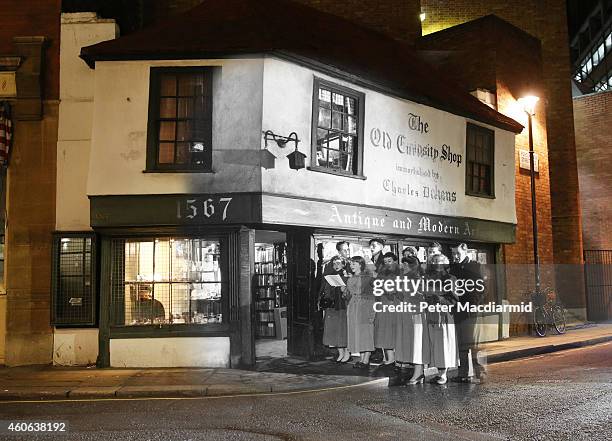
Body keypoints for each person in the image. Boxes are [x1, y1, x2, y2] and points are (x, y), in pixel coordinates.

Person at [450, 243, 487, 383]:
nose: (455, 256)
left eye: (457, 253)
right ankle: (463, 373)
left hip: (471, 310)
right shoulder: (453, 269)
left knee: (474, 343)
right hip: (458, 310)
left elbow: (483, 289)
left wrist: (474, 304)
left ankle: (480, 373)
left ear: (465, 252)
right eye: (453, 254)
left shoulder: (475, 266)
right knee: (462, 343)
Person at [393, 256, 430, 386]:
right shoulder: (404, 278)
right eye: (403, 265)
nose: (403, 267)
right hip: (405, 313)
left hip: (415, 314)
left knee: (417, 342)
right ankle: (417, 371)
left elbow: (421, 297)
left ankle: (419, 372)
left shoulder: (417, 279)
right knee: (410, 342)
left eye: (406, 265)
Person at [424, 254, 459, 385]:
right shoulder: (428, 278)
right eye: (433, 262)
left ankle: (443, 374)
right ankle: (439, 372)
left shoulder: (451, 278)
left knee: (444, 343)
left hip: (444, 315)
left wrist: (440, 298)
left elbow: (455, 299)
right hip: (432, 314)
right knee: (435, 344)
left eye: (438, 262)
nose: (436, 264)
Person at [343, 256, 376, 369]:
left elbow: (371, 292)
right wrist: (344, 290)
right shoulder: (352, 277)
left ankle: (366, 359)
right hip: (354, 305)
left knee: (365, 331)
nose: (351, 265)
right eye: (351, 263)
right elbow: (349, 294)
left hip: (365, 305)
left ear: (361, 264)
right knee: (357, 332)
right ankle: (362, 359)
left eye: (354, 263)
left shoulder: (367, 277)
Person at [321, 257, 350, 363]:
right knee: (334, 330)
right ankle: (340, 352)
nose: (336, 266)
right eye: (334, 264)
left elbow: (349, 293)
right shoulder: (330, 276)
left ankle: (347, 352)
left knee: (343, 330)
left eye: (338, 263)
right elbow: (326, 291)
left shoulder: (347, 276)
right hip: (332, 307)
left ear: (343, 264)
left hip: (343, 307)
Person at [374, 252, 400, 369]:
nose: (387, 264)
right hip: (383, 304)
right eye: (385, 262)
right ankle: (390, 358)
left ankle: (398, 359)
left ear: (395, 261)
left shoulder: (400, 273)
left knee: (394, 331)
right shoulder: (382, 273)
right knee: (385, 331)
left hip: (394, 304)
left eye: (389, 261)